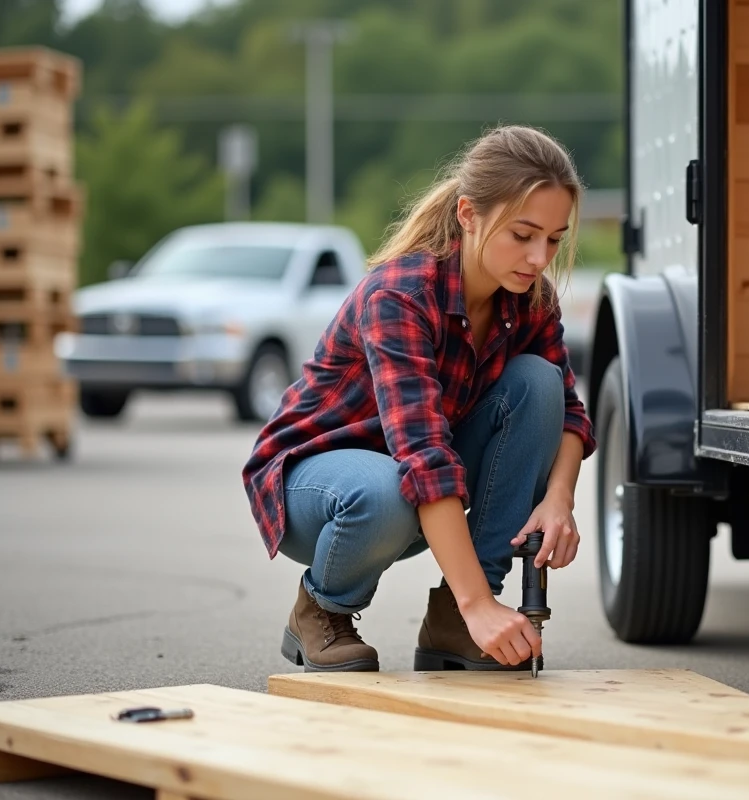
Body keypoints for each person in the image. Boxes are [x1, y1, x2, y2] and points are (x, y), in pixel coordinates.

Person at [241, 125, 596, 673]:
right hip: (316, 486)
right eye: (522, 234)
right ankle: (321, 610)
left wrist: (559, 499)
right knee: (385, 491)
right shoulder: (400, 294)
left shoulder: (530, 298)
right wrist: (482, 605)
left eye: (553, 238)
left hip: (408, 484)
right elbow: (423, 455)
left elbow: (569, 412)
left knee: (538, 382)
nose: (538, 256)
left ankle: (455, 621)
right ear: (468, 214)